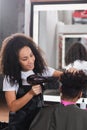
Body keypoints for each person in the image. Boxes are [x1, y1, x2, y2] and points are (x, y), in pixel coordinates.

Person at [1, 33, 63, 130]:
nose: (30, 61)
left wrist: (72, 72)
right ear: (16, 61)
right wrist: (30, 93)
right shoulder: (11, 78)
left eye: (31, 55)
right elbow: (12, 107)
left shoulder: (41, 70)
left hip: (39, 122)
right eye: (25, 59)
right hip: (19, 124)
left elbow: (62, 75)